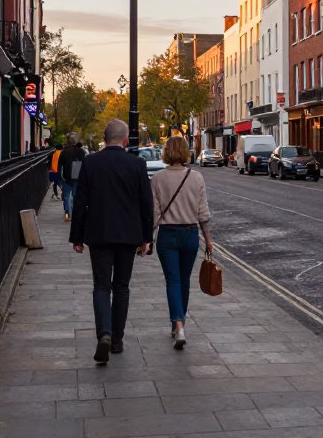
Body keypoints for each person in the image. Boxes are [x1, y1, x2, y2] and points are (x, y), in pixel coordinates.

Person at [69, 120, 154, 364]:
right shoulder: (137, 164)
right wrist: (147, 237)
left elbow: (80, 200)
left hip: (99, 234)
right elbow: (146, 204)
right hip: (129, 235)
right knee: (122, 287)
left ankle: (103, 334)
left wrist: (77, 236)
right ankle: (117, 340)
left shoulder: (91, 162)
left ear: (105, 139)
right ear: (126, 139)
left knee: (101, 286)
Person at [152, 135, 213, 350]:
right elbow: (203, 213)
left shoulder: (158, 178)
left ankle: (178, 324)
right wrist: (208, 240)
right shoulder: (196, 177)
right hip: (190, 234)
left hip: (167, 235)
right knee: (184, 280)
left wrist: (146, 239)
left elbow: (154, 213)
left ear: (166, 152)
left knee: (173, 281)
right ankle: (180, 322)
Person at [59, 132, 86, 222]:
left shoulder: (64, 152)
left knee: (66, 196)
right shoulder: (81, 151)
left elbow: (60, 166)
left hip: (66, 177)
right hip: (78, 177)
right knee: (76, 196)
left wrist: (60, 177)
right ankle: (76, 214)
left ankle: (67, 214)